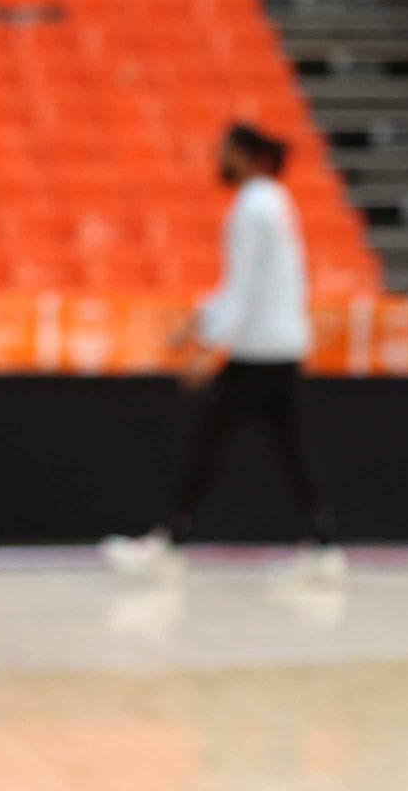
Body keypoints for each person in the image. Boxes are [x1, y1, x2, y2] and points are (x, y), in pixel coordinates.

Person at [102, 121, 343, 580]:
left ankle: (168, 539)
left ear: (248, 157)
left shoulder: (252, 209)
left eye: (227, 152)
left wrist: (206, 346)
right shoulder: (274, 202)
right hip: (279, 345)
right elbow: (246, 288)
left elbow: (245, 289)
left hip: (258, 352)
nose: (219, 160)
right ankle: (325, 543)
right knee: (288, 449)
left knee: (212, 445)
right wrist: (199, 321)